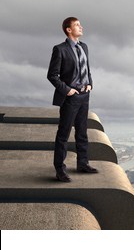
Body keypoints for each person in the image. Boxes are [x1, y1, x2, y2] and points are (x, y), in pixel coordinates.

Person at [47, 17, 98, 182]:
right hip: (70, 97)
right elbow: (52, 75)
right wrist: (67, 90)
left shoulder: (84, 47)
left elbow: (87, 68)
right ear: (68, 29)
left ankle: (83, 164)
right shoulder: (60, 49)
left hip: (85, 95)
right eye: (77, 25)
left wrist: (90, 84)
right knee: (63, 134)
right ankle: (60, 170)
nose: (81, 27)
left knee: (82, 132)